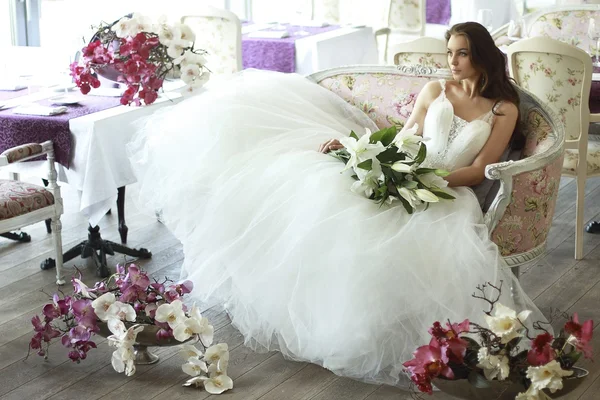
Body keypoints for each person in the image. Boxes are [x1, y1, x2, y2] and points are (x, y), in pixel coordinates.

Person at [128, 22, 546, 388]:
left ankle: (406, 333)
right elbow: (404, 138)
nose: (453, 61)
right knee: (327, 203)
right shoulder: (436, 88)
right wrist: (372, 157)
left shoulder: (501, 107)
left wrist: (427, 180)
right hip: (404, 173)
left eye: (463, 53)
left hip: (447, 190)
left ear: (482, 56)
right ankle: (336, 325)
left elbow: (478, 169)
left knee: (417, 236)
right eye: (449, 52)